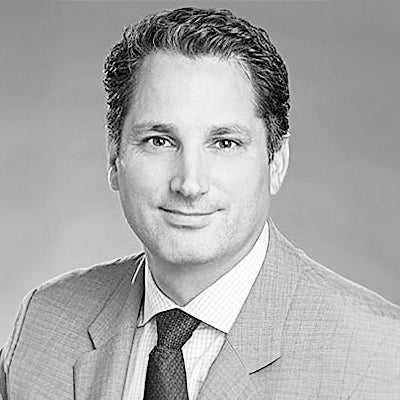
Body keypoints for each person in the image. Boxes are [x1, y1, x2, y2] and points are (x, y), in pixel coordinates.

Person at [1, 6, 399, 400]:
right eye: (159, 141)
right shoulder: (43, 324)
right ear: (113, 157)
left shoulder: (381, 359)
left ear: (276, 161)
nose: (189, 184)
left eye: (224, 143)